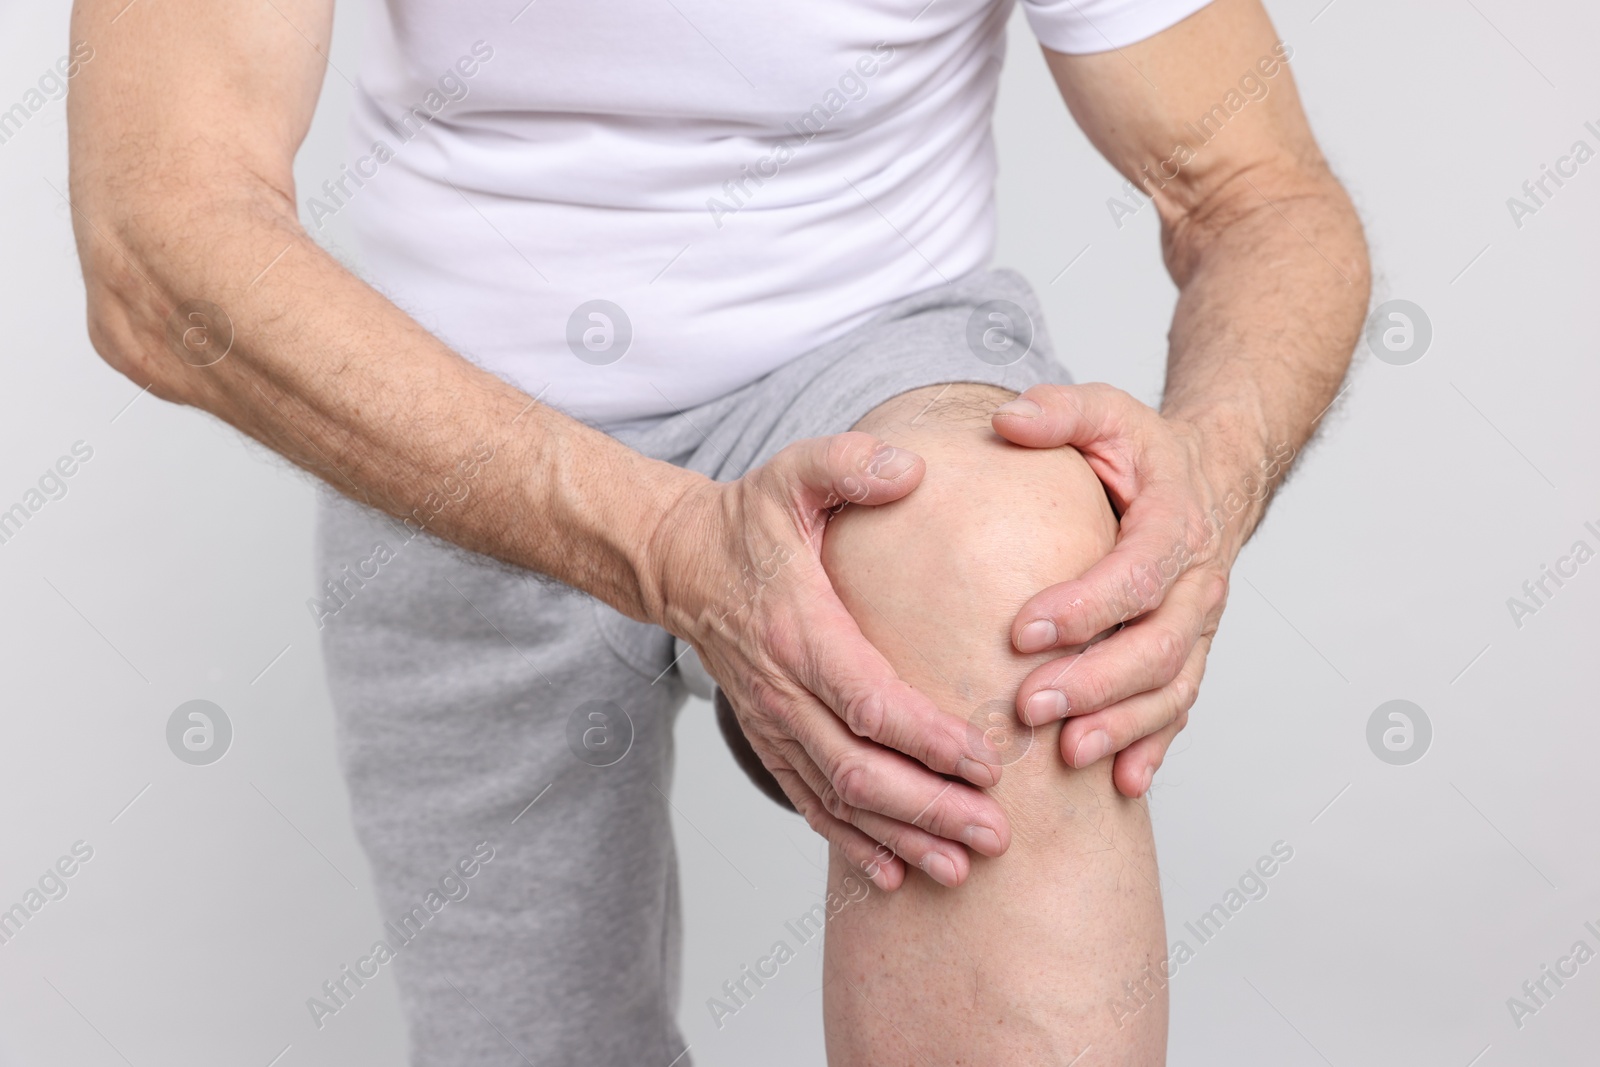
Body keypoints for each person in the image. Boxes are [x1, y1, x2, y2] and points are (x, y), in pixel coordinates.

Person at [66, 0, 1368, 1060]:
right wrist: (667, 543)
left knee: (1003, 580)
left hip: (859, 372)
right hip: (455, 425)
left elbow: (1256, 191)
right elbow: (156, 236)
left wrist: (1215, 468)